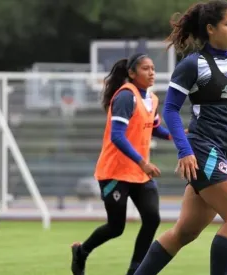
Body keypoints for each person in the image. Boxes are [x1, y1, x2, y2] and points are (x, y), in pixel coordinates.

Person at [134, 1, 227, 274]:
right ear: (210, 29)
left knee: (184, 232)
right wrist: (185, 150)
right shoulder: (194, 65)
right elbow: (169, 109)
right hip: (204, 151)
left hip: (225, 153)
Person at [71, 53, 173, 275]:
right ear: (132, 74)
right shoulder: (127, 97)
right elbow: (117, 136)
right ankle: (82, 251)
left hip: (139, 173)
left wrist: (175, 135)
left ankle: (135, 271)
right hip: (115, 173)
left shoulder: (152, 99)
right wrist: (143, 162)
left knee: (152, 218)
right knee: (116, 227)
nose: (151, 72)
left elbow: (154, 128)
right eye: (145, 68)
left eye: (153, 68)